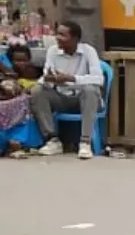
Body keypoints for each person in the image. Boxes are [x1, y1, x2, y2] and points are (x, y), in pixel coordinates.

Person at [31, 20, 105, 159]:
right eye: (57, 34)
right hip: (62, 97)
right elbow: (47, 75)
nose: (58, 38)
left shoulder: (88, 51)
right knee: (37, 91)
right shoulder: (53, 51)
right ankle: (53, 140)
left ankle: (85, 142)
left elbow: (99, 79)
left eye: (62, 35)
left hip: (84, 99)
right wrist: (48, 80)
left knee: (90, 90)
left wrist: (71, 78)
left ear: (75, 38)